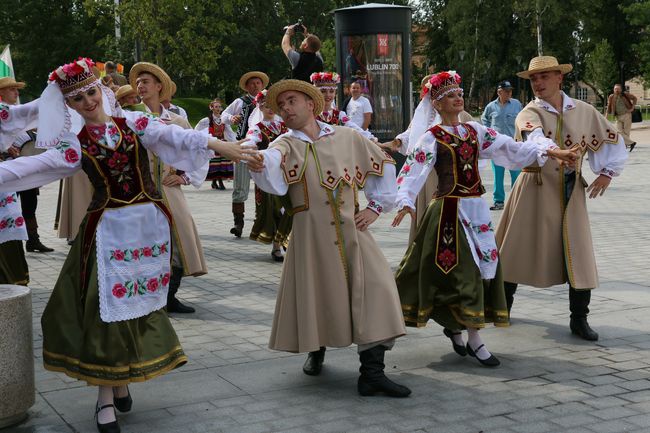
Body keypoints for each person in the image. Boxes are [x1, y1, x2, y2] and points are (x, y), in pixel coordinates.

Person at [0, 57, 251, 433]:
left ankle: (119, 381)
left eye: (90, 92)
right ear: (66, 105)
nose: (87, 101)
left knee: (132, 308)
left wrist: (222, 146)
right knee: (105, 312)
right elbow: (28, 168)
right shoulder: (75, 144)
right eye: (76, 98)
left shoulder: (134, 122)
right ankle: (106, 397)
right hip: (106, 234)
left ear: (100, 89)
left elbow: (176, 137)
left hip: (147, 230)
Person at [392, 70, 579, 367]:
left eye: (459, 93)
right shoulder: (432, 137)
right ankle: (474, 339)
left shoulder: (475, 131)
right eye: (451, 95)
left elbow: (513, 149)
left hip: (476, 210)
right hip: (448, 214)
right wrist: (404, 201)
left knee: (481, 270)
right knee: (460, 272)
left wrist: (556, 153)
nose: (458, 98)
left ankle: (456, 327)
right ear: (437, 104)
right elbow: (414, 170)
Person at [247, 79, 410, 398]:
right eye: (281, 105)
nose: (286, 108)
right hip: (310, 238)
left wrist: (376, 208)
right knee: (318, 295)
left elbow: (384, 164)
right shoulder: (284, 144)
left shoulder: (347, 137)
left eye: (292, 101)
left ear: (310, 103)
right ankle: (316, 348)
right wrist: (252, 156)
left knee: (376, 289)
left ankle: (372, 374)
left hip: (354, 232)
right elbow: (269, 171)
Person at [496, 56, 629, 341]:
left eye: (544, 77)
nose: (538, 83)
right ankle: (500, 309)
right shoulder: (528, 112)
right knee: (514, 249)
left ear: (560, 78)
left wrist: (607, 172)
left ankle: (579, 319)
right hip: (534, 187)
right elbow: (533, 139)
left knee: (578, 253)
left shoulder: (583, 110)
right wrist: (557, 153)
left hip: (571, 192)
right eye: (533, 79)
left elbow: (613, 140)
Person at [130, 61, 209, 314]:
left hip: (169, 190)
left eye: (145, 82)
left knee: (178, 240)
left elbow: (199, 151)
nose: (140, 86)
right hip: (140, 192)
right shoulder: (131, 118)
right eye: (138, 82)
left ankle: (168, 297)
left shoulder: (176, 120)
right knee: (144, 243)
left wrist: (184, 177)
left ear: (159, 86)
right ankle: (147, 298)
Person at [382, 73, 473, 245]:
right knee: (429, 214)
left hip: (456, 174)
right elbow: (410, 135)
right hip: (428, 173)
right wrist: (396, 142)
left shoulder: (464, 117)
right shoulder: (423, 117)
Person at [0, 76, 54, 252]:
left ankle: (33, 239)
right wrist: (8, 150)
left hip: (25, 165)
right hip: (6, 168)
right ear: (1, 93)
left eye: (17, 90)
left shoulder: (19, 112)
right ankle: (11, 243)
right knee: (10, 207)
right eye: (11, 89)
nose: (16, 93)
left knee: (30, 203)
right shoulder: (5, 114)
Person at [243, 90, 291, 262]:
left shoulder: (286, 126)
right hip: (268, 174)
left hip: (288, 173)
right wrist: (250, 152)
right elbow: (250, 141)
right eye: (265, 105)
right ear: (260, 107)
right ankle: (276, 246)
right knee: (274, 210)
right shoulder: (257, 128)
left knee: (291, 208)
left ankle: (287, 240)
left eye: (273, 105)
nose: (270, 109)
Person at [221, 71, 269, 237]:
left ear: (262, 85)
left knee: (264, 187)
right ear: (247, 86)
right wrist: (232, 118)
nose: (255, 86)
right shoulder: (241, 101)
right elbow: (223, 115)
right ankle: (238, 223)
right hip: (243, 146)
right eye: (252, 83)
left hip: (265, 148)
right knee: (240, 186)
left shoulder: (268, 100)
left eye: (258, 83)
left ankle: (260, 222)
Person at [0, 97, 39, 285]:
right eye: (11, 88)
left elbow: (30, 112)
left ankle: (13, 285)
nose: (15, 92)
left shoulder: (6, 112)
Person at [481, 80, 523, 210]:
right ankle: (499, 201)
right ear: (499, 92)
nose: (509, 93)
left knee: (516, 174)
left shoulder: (517, 104)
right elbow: (484, 120)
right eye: (507, 91)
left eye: (510, 90)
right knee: (498, 176)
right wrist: (488, 134)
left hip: (513, 145)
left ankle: (516, 201)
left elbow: (523, 119)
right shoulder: (491, 106)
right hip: (497, 146)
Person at [310, 72, 376, 141]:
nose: (328, 95)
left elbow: (354, 128)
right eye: (323, 91)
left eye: (331, 91)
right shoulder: (311, 114)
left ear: (335, 93)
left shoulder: (340, 115)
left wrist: (371, 138)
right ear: (317, 93)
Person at [195, 98, 234, 190]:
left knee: (222, 162)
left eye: (219, 107)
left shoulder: (223, 120)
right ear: (211, 108)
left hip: (221, 142)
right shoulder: (207, 120)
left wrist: (234, 143)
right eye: (216, 107)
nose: (218, 108)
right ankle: (217, 181)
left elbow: (229, 132)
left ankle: (217, 181)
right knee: (215, 163)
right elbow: (197, 130)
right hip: (212, 143)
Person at [607, 84, 637, 151]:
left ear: (621, 89)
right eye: (615, 89)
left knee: (626, 132)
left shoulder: (625, 95)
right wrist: (606, 116)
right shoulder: (611, 97)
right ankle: (632, 143)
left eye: (618, 89)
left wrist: (632, 107)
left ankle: (624, 147)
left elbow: (634, 98)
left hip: (627, 115)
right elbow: (608, 106)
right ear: (613, 90)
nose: (616, 90)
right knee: (618, 132)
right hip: (618, 116)